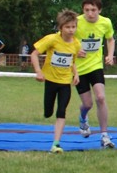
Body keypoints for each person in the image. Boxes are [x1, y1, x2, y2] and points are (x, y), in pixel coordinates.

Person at [30, 9, 81, 154]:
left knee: (61, 111)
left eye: (73, 27)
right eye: (67, 27)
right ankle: (48, 112)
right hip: (50, 81)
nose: (71, 30)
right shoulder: (51, 39)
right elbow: (34, 54)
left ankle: (56, 143)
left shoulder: (76, 44)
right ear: (60, 28)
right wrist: (39, 71)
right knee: (48, 112)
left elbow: (72, 61)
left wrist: (76, 74)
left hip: (65, 83)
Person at [74, 0, 117, 149]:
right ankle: (83, 117)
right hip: (79, 69)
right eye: (86, 10)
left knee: (100, 97)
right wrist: (75, 50)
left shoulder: (106, 22)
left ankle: (104, 135)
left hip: (96, 66)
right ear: (83, 10)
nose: (90, 14)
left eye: (93, 10)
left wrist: (110, 55)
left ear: (100, 10)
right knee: (87, 104)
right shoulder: (76, 22)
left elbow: (110, 39)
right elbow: (63, 40)